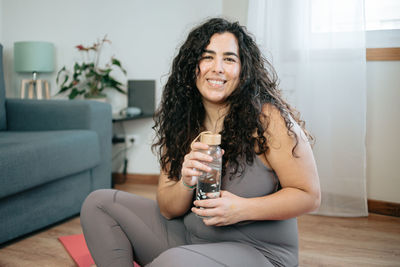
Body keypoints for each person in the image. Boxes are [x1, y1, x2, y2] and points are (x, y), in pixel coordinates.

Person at [81, 17, 320, 267]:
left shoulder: (268, 119)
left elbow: (309, 196)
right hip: (190, 241)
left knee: (172, 262)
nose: (217, 68)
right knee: (98, 204)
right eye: (207, 57)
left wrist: (242, 209)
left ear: (244, 70)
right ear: (192, 66)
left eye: (229, 59)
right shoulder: (181, 122)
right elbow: (167, 209)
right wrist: (186, 181)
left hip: (258, 253)